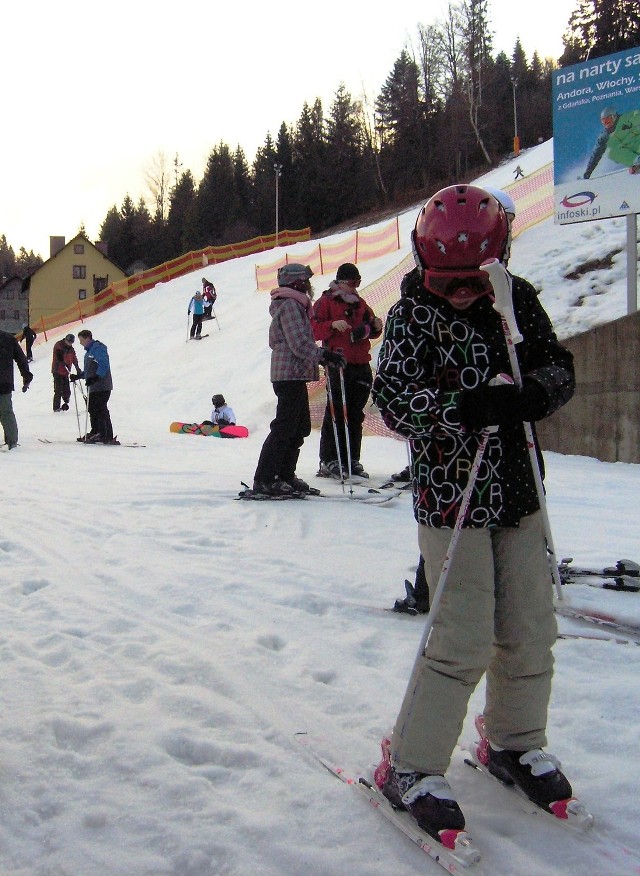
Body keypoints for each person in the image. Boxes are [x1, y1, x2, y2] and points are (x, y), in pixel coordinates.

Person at [372, 184, 576, 846]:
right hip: (452, 499)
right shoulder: (411, 319)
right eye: (447, 281)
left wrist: (533, 395)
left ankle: (513, 741)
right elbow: (394, 400)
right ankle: (410, 764)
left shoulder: (517, 302)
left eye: (474, 281)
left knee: (530, 625)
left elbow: (558, 368)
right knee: (461, 635)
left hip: (517, 491)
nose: (461, 293)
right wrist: (462, 407)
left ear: (498, 262)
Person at [252, 263, 345, 497]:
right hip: (288, 374)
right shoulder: (291, 306)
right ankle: (266, 478)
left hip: (295, 374)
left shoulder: (296, 305)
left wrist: (322, 357)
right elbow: (299, 343)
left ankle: (284, 474)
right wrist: (323, 355)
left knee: (299, 427)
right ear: (296, 282)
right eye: (305, 281)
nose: (309, 285)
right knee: (285, 427)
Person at [311, 262, 383, 479]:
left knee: (355, 413)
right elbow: (313, 330)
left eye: (358, 282)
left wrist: (374, 327)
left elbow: (370, 327)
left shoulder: (360, 303)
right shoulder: (326, 302)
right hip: (338, 363)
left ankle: (351, 457)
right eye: (352, 283)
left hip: (360, 362)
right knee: (336, 412)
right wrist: (332, 325)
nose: (355, 287)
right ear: (341, 282)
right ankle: (329, 459)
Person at [70, 329, 115, 444]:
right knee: (92, 408)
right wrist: (80, 376)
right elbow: (89, 370)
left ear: (87, 338)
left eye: (81, 340)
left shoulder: (98, 348)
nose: (80, 343)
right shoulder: (89, 351)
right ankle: (96, 431)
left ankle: (105, 434)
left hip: (102, 386)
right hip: (94, 386)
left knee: (100, 408)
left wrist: (97, 377)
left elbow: (103, 364)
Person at [583, 106, 640, 178]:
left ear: (614, 117)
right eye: (603, 121)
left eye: (608, 120)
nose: (606, 123)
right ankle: (637, 161)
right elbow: (596, 155)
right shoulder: (605, 136)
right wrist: (588, 173)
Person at [0, 329, 33, 449]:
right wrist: (27, 376)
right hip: (4, 381)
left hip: (4, 382)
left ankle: (11, 441)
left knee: (6, 412)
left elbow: (20, 358)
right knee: (6, 412)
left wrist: (27, 376)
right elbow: (21, 359)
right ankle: (11, 441)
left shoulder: (8, 338)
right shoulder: (8, 338)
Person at [51, 333, 81, 412]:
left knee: (67, 390)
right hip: (57, 371)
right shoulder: (59, 345)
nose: (69, 344)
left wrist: (77, 367)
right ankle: (56, 407)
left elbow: (74, 357)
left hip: (66, 372)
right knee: (58, 389)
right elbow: (58, 354)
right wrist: (61, 359)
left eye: (71, 343)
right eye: (68, 342)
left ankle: (65, 403)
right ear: (66, 340)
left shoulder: (71, 348)